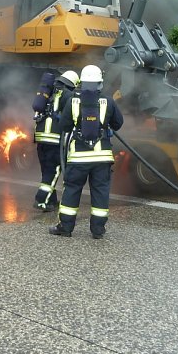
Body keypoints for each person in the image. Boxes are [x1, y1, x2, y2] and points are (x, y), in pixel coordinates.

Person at [49, 64, 123, 239]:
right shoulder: (108, 101)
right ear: (100, 84)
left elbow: (64, 126)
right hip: (102, 157)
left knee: (72, 190)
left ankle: (65, 228)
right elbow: (118, 124)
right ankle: (98, 230)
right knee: (101, 192)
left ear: (82, 82)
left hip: (78, 158)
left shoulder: (72, 101)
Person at [31, 69, 79, 211]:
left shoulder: (49, 91)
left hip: (41, 138)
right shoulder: (69, 95)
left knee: (47, 170)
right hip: (55, 139)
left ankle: (51, 201)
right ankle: (41, 201)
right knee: (54, 171)